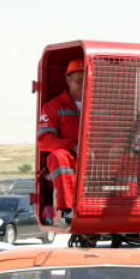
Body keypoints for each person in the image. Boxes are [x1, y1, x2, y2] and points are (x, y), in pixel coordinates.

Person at [37, 57, 84, 227]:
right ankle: (67, 210)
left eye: (88, 80)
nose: (84, 84)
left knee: (129, 157)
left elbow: (115, 132)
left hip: (97, 158)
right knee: (58, 157)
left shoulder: (101, 106)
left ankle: (128, 206)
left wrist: (114, 147)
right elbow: (44, 140)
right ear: (68, 81)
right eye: (79, 80)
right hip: (72, 158)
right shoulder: (53, 107)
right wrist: (72, 146)